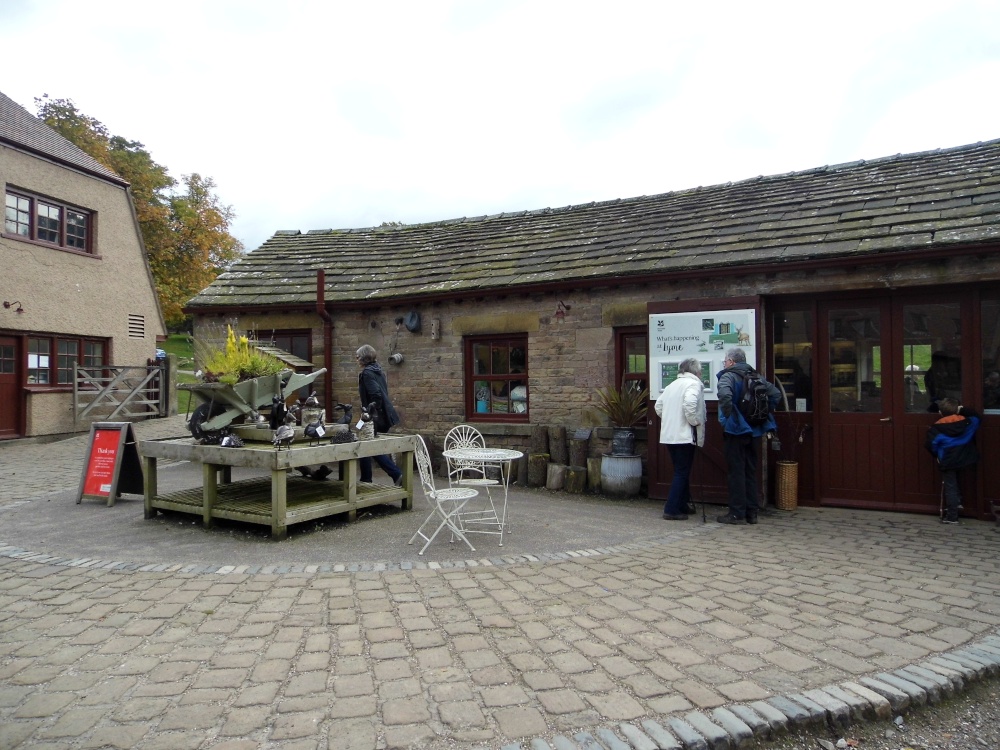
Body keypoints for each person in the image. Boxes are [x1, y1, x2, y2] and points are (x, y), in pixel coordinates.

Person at [716, 347, 781, 525]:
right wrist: (761, 414)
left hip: (736, 431)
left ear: (732, 362)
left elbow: (724, 395)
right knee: (750, 471)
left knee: (736, 472)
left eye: (725, 360)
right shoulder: (756, 376)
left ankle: (737, 513)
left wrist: (729, 417)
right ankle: (752, 513)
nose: (724, 363)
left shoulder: (728, 376)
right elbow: (775, 394)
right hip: (755, 430)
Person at [654, 357, 706, 520]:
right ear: (696, 372)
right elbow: (690, 404)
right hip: (684, 435)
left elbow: (658, 406)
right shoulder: (693, 384)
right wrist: (694, 421)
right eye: (700, 371)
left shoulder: (672, 385)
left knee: (681, 471)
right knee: (681, 472)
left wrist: (671, 419)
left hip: (670, 435)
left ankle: (682, 504)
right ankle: (671, 509)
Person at [925, 397, 980, 524]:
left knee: (950, 486)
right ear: (958, 410)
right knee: (957, 481)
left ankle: (952, 516)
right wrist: (962, 409)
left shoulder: (936, 428)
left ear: (940, 412)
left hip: (947, 459)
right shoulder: (968, 423)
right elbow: (977, 417)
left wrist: (938, 455)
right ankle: (958, 502)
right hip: (965, 458)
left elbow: (930, 445)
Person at [356, 344, 403, 486]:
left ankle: (395, 473)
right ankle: (366, 479)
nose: (356, 359)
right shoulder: (378, 371)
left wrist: (369, 412)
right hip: (377, 415)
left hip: (374, 416)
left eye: (358, 357)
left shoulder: (367, 373)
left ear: (364, 358)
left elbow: (376, 395)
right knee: (364, 443)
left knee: (367, 444)